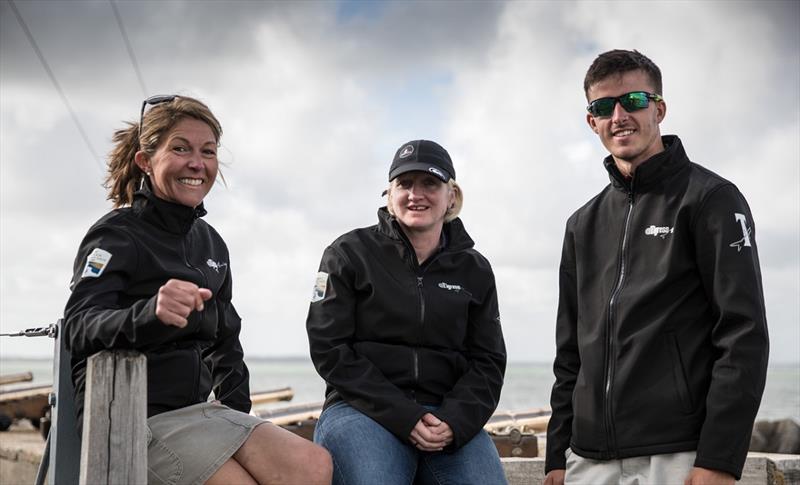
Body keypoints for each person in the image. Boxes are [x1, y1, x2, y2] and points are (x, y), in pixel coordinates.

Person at [63, 95, 332, 485]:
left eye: (208, 151)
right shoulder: (115, 235)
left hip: (198, 414)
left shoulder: (211, 244)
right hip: (133, 417)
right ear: (145, 161)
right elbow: (79, 326)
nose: (197, 163)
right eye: (180, 148)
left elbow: (227, 341)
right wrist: (150, 313)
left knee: (314, 465)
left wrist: (239, 418)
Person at [544, 50, 769, 485]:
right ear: (592, 121)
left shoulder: (711, 200)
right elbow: (570, 351)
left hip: (678, 455)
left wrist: (719, 459)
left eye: (633, 100)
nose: (619, 116)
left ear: (659, 108)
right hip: (589, 460)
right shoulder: (581, 224)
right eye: (603, 107)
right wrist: (557, 454)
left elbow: (743, 335)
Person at [306, 139, 508, 485]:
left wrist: (455, 422)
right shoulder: (348, 253)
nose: (416, 194)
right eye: (404, 183)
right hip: (361, 411)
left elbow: (488, 361)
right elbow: (330, 349)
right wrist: (405, 416)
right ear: (389, 194)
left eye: (430, 183)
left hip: (446, 416)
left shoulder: (475, 269)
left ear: (451, 197)